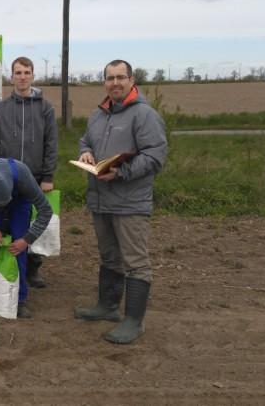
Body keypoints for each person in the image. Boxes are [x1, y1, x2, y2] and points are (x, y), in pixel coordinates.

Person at [74, 59, 167, 344]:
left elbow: (155, 157)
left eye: (120, 77)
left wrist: (121, 172)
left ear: (131, 80)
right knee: (109, 256)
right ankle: (108, 306)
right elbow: (84, 140)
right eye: (109, 78)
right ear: (104, 82)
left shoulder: (144, 115)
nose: (114, 82)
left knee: (136, 262)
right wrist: (86, 153)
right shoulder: (98, 115)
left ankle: (134, 321)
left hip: (130, 202)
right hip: (101, 200)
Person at [0, 56, 57, 288]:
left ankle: (33, 268)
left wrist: (47, 176)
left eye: (27, 72)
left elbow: (51, 144)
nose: (22, 77)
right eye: (18, 72)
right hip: (6, 177)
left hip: (35, 177)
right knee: (8, 223)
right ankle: (5, 266)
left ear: (33, 75)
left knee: (34, 223)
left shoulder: (45, 108)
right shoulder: (0, 109)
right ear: (11, 76)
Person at [0, 158, 53, 318]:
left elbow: (46, 211)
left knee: (17, 248)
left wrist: (27, 240)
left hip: (20, 202)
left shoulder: (24, 178)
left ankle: (19, 297)